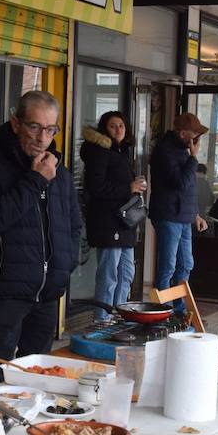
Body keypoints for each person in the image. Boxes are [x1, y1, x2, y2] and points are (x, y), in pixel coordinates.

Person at [0, 90, 81, 388]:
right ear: (16, 123)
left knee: (38, 376)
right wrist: (36, 180)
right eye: (34, 127)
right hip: (6, 288)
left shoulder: (62, 173)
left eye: (50, 129)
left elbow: (73, 225)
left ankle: (31, 431)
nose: (42, 137)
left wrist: (63, 267)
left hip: (47, 292)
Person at [80, 110, 145, 322]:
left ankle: (119, 315)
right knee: (109, 274)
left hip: (124, 222)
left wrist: (134, 186)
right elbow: (96, 187)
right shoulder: (99, 151)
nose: (118, 130)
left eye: (121, 126)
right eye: (112, 126)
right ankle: (102, 319)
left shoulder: (121, 152)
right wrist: (129, 187)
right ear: (104, 129)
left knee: (126, 272)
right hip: (108, 222)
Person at [148, 112, 209, 307]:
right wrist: (193, 158)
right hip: (168, 215)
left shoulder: (183, 151)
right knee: (168, 265)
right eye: (195, 135)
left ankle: (180, 308)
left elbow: (189, 188)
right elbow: (181, 183)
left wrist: (196, 214)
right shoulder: (164, 152)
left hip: (183, 216)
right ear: (183, 133)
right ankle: (162, 309)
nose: (197, 140)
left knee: (186, 264)